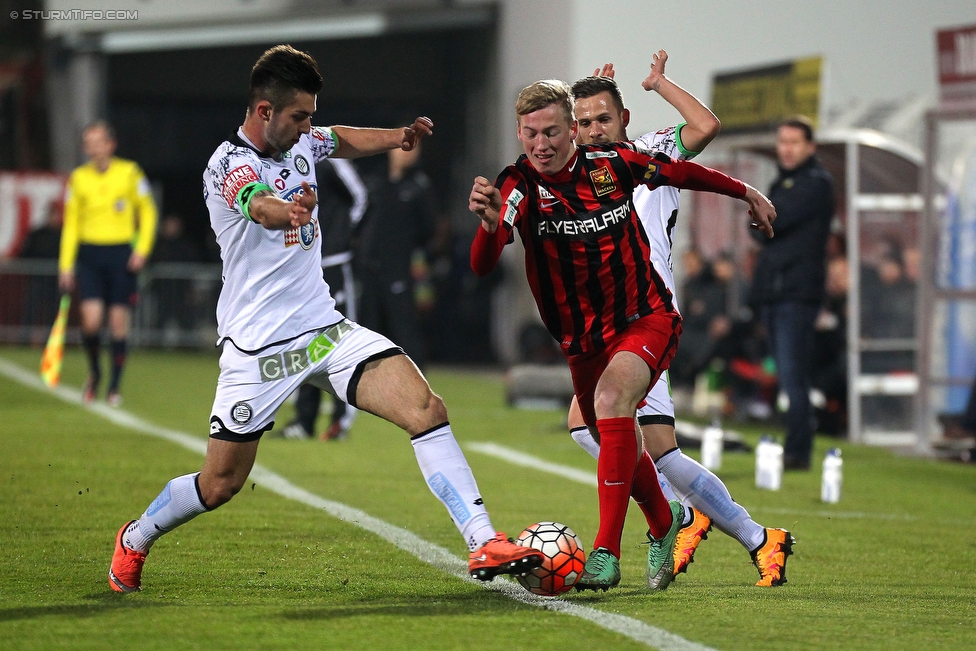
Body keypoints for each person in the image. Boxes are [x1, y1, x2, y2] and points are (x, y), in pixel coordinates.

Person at [107, 45, 542, 594]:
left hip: (322, 331)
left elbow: (339, 137)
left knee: (426, 407)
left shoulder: (303, 140)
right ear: (264, 111)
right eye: (299, 116)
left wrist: (397, 136)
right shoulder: (227, 164)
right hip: (257, 350)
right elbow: (255, 202)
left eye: (310, 113)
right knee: (220, 484)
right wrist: (283, 211)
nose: (308, 126)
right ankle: (138, 535)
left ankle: (483, 540)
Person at [469, 77, 776, 591]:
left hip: (645, 315)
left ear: (570, 131)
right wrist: (486, 224)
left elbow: (683, 171)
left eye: (550, 132)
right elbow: (484, 261)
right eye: (529, 134)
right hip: (581, 339)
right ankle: (665, 521)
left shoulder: (613, 165)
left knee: (613, 405)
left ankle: (606, 552)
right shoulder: (517, 185)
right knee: (611, 430)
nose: (540, 144)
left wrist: (746, 191)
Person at [566, 56, 794, 588]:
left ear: (624, 117)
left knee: (590, 423)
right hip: (606, 326)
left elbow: (707, 126)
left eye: (603, 119)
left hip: (647, 320)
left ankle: (673, 516)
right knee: (657, 448)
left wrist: (658, 84)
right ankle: (759, 537)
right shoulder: (572, 176)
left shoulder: (653, 151)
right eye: (584, 122)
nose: (594, 131)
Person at [749, 115, 834, 471]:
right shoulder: (782, 181)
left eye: (794, 142)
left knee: (793, 375)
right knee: (787, 375)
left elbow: (773, 221)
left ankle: (798, 452)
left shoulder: (815, 183)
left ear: (810, 147)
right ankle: (795, 447)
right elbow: (757, 228)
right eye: (782, 142)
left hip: (797, 294)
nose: (786, 149)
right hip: (776, 292)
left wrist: (765, 218)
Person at [58, 120, 158, 406]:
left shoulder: (130, 172)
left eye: (97, 140)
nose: (92, 146)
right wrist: (65, 266)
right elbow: (71, 225)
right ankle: (95, 372)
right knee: (90, 323)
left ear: (110, 144)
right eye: (87, 141)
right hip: (89, 256)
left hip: (121, 256)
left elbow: (148, 211)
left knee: (117, 324)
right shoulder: (78, 179)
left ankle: (114, 387)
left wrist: (141, 249)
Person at [280, 157, 368, 441]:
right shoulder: (281, 162)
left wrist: (340, 234)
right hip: (304, 266)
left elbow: (360, 198)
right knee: (304, 343)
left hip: (334, 262)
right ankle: (304, 421)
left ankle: (340, 421)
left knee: (341, 340)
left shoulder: (328, 161)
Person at [355, 144, 440, 369]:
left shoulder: (419, 187)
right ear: (392, 149)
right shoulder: (373, 183)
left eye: (414, 148)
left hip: (401, 268)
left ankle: (416, 383)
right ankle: (366, 384)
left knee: (405, 329)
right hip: (370, 268)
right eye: (404, 147)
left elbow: (429, 228)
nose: (408, 153)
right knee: (367, 328)